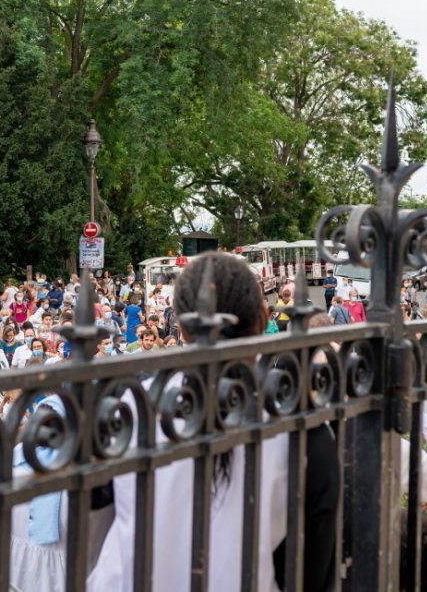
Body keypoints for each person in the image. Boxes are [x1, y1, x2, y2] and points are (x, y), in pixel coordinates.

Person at [89, 252, 339, 592]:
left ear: (179, 324)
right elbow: (312, 571)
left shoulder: (127, 407)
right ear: (264, 316)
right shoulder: (304, 430)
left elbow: (93, 523)